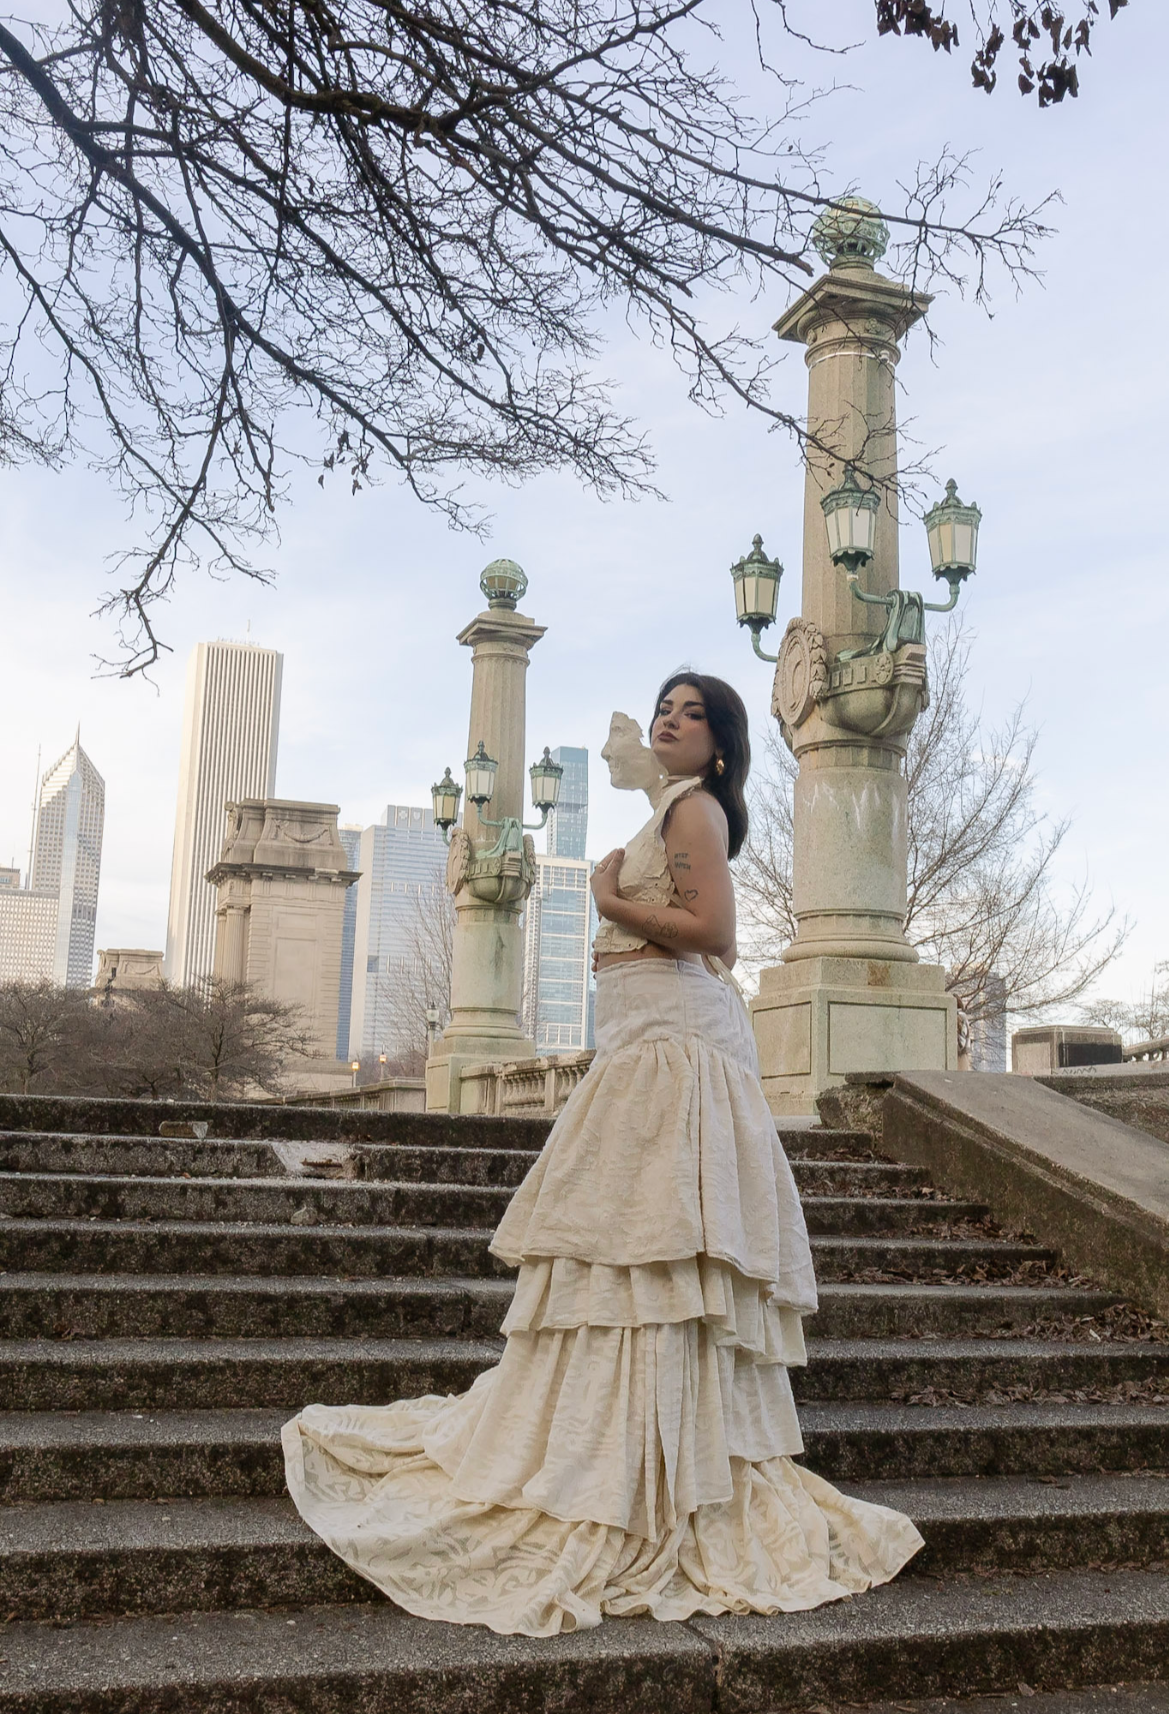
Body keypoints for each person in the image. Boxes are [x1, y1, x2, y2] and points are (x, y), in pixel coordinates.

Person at [282, 672, 923, 1636]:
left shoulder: (696, 812)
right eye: (663, 707)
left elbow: (713, 934)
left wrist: (604, 900)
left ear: (717, 745)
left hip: (672, 1040)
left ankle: (663, 1463)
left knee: (656, 1234)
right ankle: (624, 1441)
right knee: (628, 1232)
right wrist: (631, 819)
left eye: (688, 713)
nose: (666, 721)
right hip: (648, 1033)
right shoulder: (671, 808)